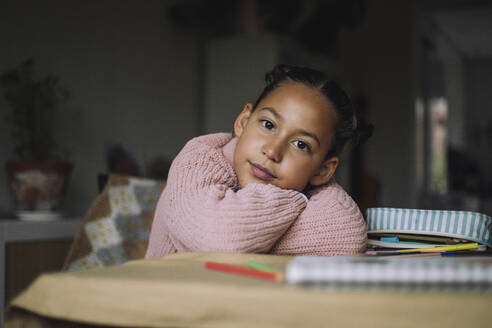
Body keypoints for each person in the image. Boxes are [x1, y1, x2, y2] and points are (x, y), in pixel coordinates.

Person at [146, 64, 373, 259]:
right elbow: (222, 238)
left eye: (301, 145)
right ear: (243, 121)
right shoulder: (198, 159)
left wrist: (253, 239)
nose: (273, 151)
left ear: (323, 170)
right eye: (268, 125)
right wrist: (295, 200)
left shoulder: (321, 192)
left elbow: (347, 235)